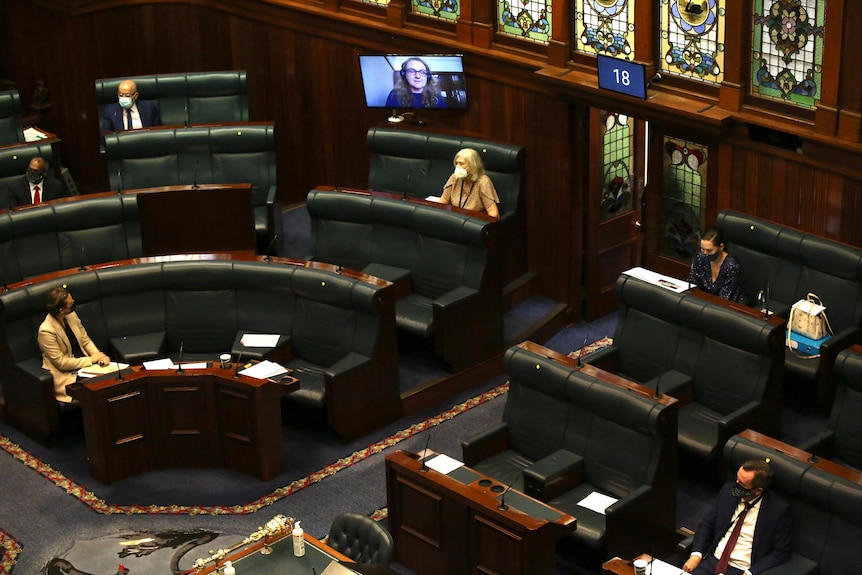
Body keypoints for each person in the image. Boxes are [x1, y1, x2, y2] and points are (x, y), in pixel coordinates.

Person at [683, 459, 792, 575]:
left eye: (741, 484)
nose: (735, 484)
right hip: (713, 561)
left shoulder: (778, 510)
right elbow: (707, 525)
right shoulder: (727, 492)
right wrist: (696, 555)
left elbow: (781, 552)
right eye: (737, 479)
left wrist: (751, 572)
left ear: (758, 491)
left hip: (741, 570)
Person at [38, 285, 110, 403]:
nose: (73, 302)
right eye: (70, 303)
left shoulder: (71, 316)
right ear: (61, 310)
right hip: (66, 374)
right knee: (97, 392)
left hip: (84, 367)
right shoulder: (46, 331)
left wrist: (100, 356)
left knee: (113, 380)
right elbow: (62, 363)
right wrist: (91, 360)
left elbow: (85, 340)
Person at [689, 227, 747, 304]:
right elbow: (692, 282)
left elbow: (726, 298)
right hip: (705, 303)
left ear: (721, 247)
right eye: (702, 249)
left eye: (709, 250)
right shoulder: (700, 257)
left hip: (730, 307)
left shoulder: (732, 266)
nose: (705, 253)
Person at [439, 148, 500, 218]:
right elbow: (442, 202)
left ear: (473, 166)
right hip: (455, 219)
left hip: (473, 221)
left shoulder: (483, 182)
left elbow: (494, 214)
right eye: (457, 163)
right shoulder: (455, 177)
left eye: (461, 164)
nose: (458, 167)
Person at [4, 156, 70, 208]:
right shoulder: (15, 188)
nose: (31, 173)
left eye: (35, 171)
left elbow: (63, 207)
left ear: (44, 173)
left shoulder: (56, 186)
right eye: (30, 170)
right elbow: (13, 212)